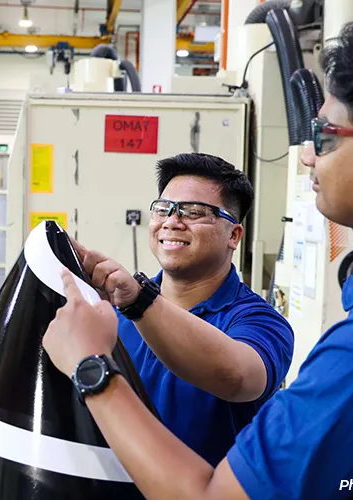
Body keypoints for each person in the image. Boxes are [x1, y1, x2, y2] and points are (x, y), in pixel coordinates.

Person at [43, 13, 353, 499]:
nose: (306, 156)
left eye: (325, 136)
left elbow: (222, 453)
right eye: (165, 209)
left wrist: (93, 367)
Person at [72, 152, 293, 465]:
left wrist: (139, 302)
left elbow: (238, 377)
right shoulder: (115, 308)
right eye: (164, 209)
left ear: (233, 235)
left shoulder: (258, 321)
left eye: (193, 212)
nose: (172, 222)